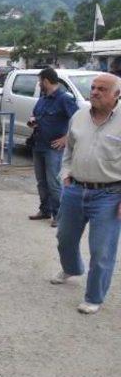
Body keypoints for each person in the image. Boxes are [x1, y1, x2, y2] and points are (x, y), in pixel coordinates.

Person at [51, 73, 121, 314]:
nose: (95, 92)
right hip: (75, 189)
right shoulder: (79, 116)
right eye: (93, 87)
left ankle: (93, 297)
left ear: (117, 95)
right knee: (65, 239)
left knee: (102, 250)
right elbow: (69, 149)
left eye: (102, 89)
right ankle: (72, 268)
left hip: (109, 195)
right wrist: (66, 173)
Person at [27, 67, 79, 227]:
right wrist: (32, 121)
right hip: (38, 145)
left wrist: (66, 138)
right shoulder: (43, 99)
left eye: (39, 81)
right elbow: (35, 115)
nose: (38, 84)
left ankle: (59, 215)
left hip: (53, 149)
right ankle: (45, 210)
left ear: (46, 81)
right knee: (41, 182)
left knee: (54, 183)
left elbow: (78, 120)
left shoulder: (64, 99)